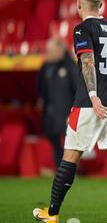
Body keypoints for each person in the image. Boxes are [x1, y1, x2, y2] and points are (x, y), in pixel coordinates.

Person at [33, 0, 107, 223]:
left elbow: (87, 61)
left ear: (79, 5)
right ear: (100, 5)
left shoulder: (82, 29)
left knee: (71, 155)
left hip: (90, 103)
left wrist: (93, 94)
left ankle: (52, 213)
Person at [37, 38, 78, 168]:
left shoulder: (71, 66)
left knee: (70, 144)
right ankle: (59, 168)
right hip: (50, 112)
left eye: (52, 51)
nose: (49, 54)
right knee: (55, 141)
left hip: (67, 111)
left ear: (61, 50)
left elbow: (77, 88)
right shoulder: (46, 67)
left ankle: (71, 170)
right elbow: (40, 88)